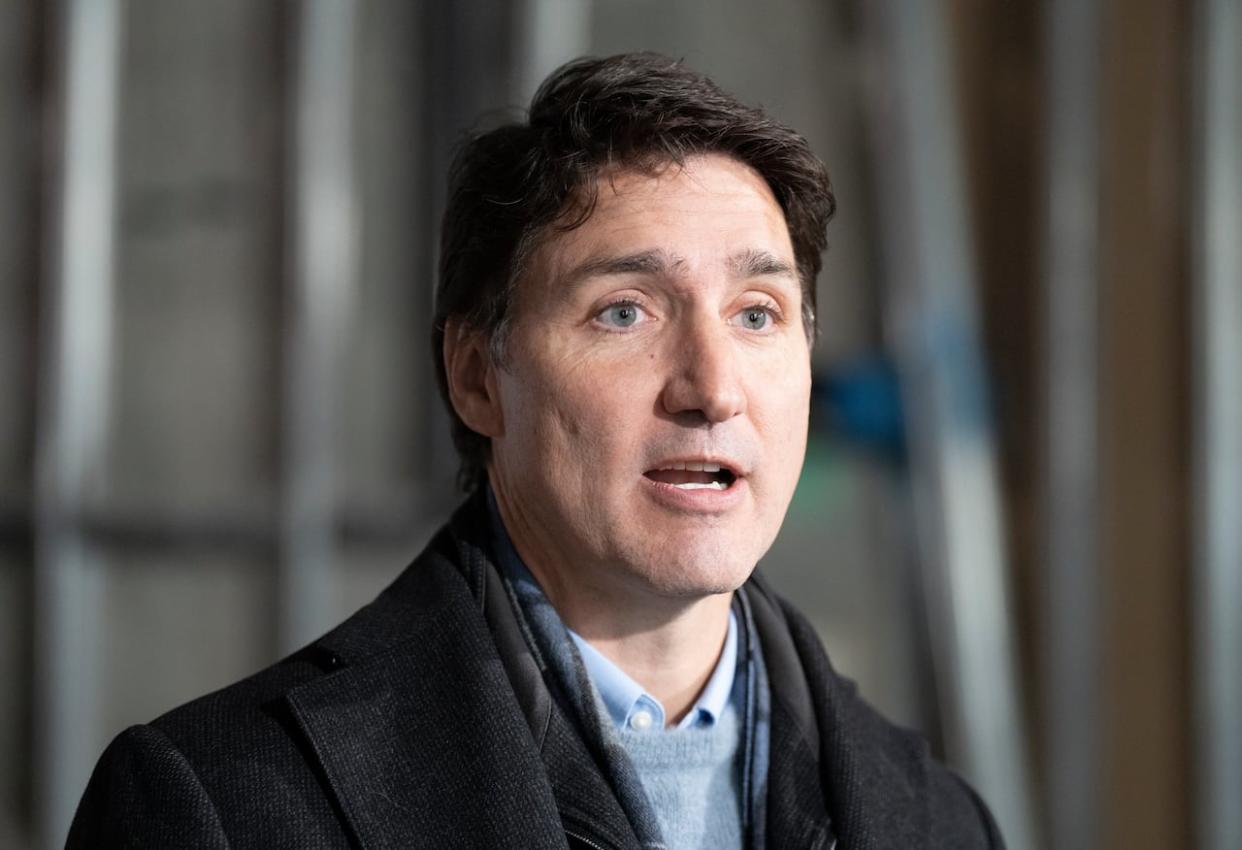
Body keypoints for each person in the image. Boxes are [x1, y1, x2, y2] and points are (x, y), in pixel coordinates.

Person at [68, 53, 1004, 849]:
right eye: (625, 312)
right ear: (478, 375)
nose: (713, 388)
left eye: (756, 315)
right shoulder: (224, 807)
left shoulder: (940, 821)